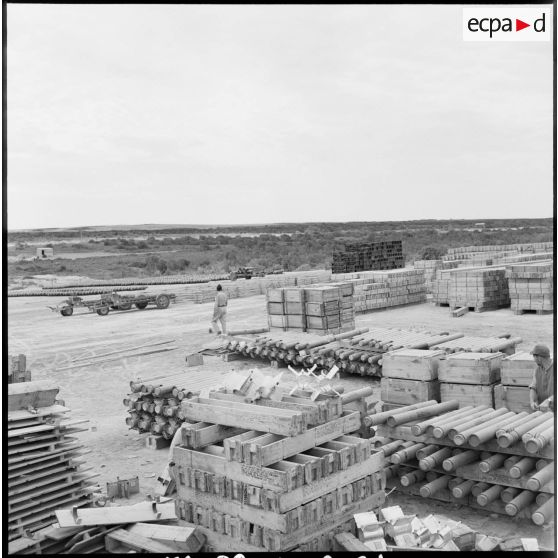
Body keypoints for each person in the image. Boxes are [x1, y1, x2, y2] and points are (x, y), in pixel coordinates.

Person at [529, 344, 554, 412]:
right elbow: (533, 387)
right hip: (544, 411)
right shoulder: (537, 371)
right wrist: (532, 401)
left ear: (539, 358)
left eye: (534, 357)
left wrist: (549, 400)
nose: (534, 360)